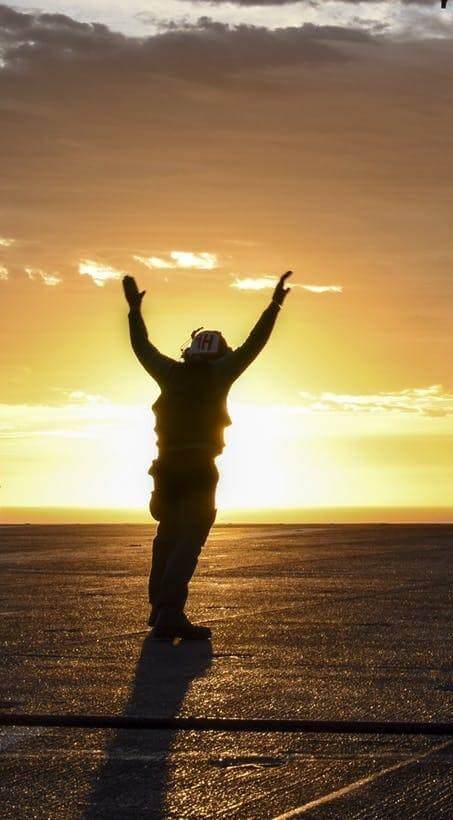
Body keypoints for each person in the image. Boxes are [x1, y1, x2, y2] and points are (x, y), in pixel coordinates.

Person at [122, 269, 291, 641]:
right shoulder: (219, 374)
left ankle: (159, 609)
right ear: (218, 355)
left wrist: (134, 311)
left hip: (164, 468)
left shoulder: (169, 372)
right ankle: (169, 611)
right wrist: (274, 305)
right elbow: (254, 344)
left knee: (167, 533)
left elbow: (142, 348)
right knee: (190, 536)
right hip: (199, 466)